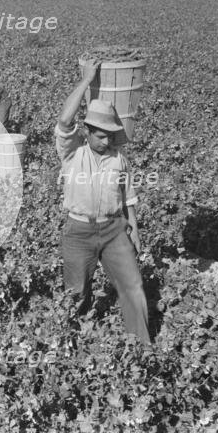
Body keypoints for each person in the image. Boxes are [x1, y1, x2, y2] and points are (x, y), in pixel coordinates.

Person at [55, 59, 150, 343]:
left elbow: (126, 194)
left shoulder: (118, 158)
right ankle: (75, 343)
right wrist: (86, 80)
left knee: (133, 285)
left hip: (114, 230)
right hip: (79, 231)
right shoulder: (72, 153)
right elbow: (63, 121)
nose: (105, 141)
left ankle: (142, 344)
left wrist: (134, 227)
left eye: (109, 136)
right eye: (99, 136)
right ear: (87, 132)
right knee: (76, 291)